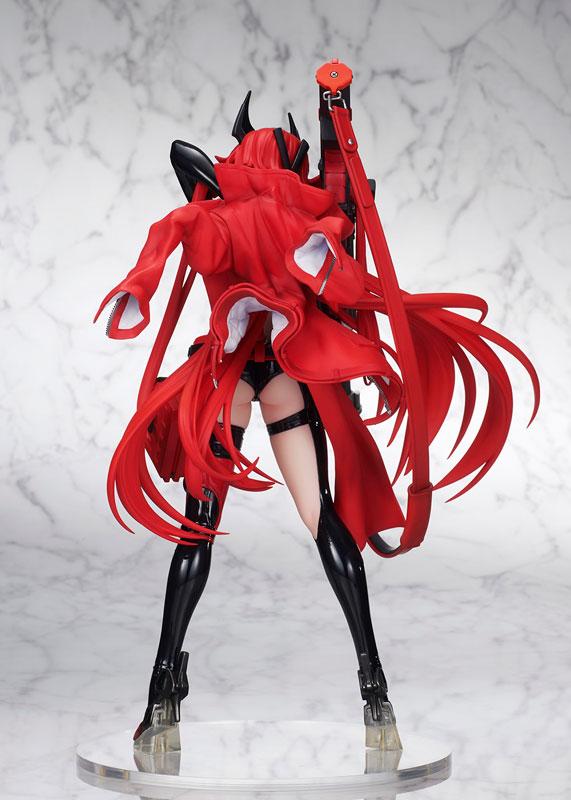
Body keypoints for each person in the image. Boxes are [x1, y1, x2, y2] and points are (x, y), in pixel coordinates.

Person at [95, 77, 539, 755]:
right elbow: (337, 262)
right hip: (281, 376)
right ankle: (374, 691)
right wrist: (337, 154)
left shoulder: (213, 214)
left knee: (197, 532)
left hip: (227, 376)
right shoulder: (303, 215)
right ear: (289, 161)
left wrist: (139, 287)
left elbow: (170, 227)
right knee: (319, 516)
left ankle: (162, 694)